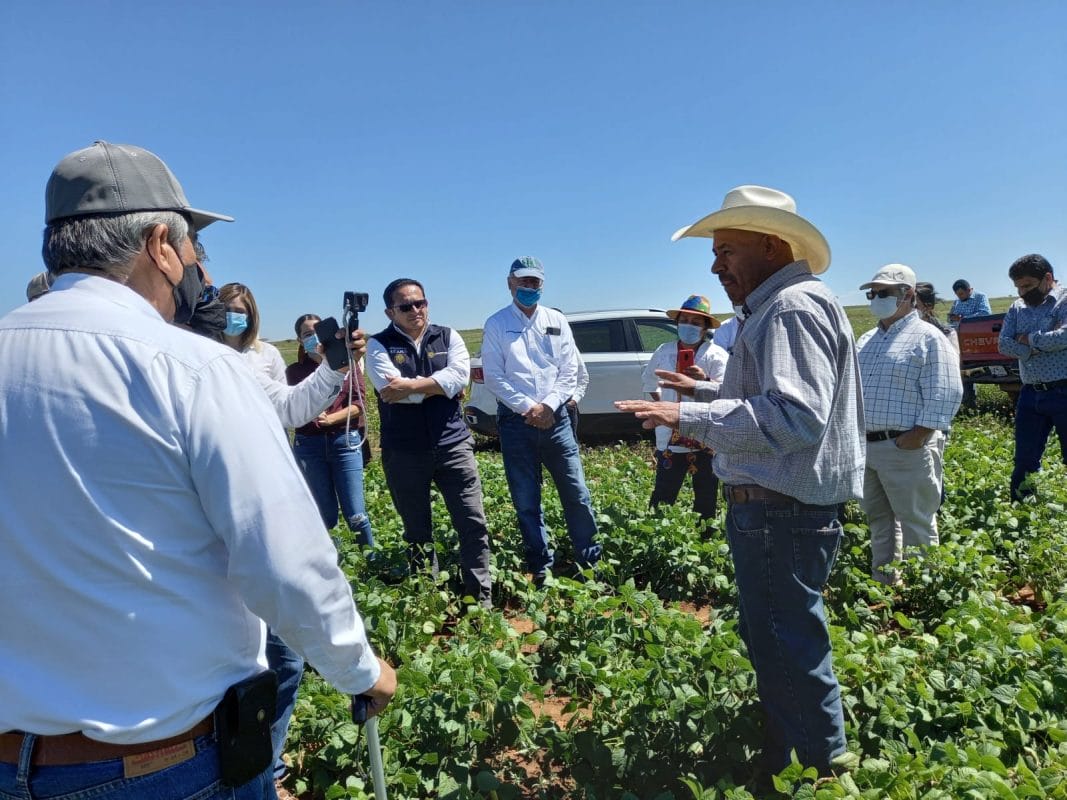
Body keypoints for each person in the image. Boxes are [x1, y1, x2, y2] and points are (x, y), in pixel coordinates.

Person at [0, 141, 396, 800]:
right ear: (159, 243)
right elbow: (284, 564)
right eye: (193, 250)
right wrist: (359, 670)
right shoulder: (191, 368)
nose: (196, 268)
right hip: (163, 765)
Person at [616, 185, 863, 775]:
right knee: (781, 642)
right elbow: (776, 401)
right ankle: (790, 760)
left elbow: (796, 417)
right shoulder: (785, 306)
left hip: (779, 510)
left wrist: (689, 416)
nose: (715, 263)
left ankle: (817, 773)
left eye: (727, 248)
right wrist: (700, 392)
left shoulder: (790, 309)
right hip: (783, 507)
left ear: (772, 245)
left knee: (787, 648)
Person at [367, 279, 492, 607]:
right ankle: (431, 603)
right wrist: (439, 385)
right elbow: (389, 391)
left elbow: (458, 379)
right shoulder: (378, 344)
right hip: (404, 450)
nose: (415, 311)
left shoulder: (448, 336)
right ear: (389, 311)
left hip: (453, 445)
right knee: (417, 531)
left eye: (420, 303)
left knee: (472, 523)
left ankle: (480, 601)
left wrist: (412, 386)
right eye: (405, 306)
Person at [481, 257, 602, 585]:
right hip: (515, 422)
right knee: (525, 499)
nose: (529, 288)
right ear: (510, 283)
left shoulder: (556, 321)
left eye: (535, 282)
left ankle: (590, 561)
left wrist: (548, 406)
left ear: (542, 284)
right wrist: (527, 408)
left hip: (557, 419)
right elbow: (493, 376)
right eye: (523, 281)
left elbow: (569, 370)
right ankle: (541, 565)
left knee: (576, 492)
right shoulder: (496, 324)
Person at [856, 265, 963, 584]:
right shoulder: (867, 339)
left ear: (909, 295)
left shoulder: (928, 337)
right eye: (873, 293)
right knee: (879, 520)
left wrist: (918, 435)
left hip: (905, 446)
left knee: (916, 521)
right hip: (868, 447)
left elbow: (946, 389)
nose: (877, 298)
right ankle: (885, 583)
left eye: (885, 292)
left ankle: (924, 589)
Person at [287, 314, 375, 548]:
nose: (313, 337)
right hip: (309, 446)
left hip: (343, 440)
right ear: (299, 340)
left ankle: (374, 564)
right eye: (307, 334)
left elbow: (360, 404)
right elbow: (289, 407)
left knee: (356, 514)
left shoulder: (347, 363)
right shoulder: (293, 371)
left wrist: (331, 419)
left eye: (317, 331)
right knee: (324, 515)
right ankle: (333, 564)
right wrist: (312, 416)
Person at [641, 294, 728, 520]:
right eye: (684, 320)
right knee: (663, 492)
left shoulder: (716, 355)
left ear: (705, 328)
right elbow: (648, 379)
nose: (688, 326)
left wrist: (704, 382)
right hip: (671, 436)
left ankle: (705, 540)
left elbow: (728, 393)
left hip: (706, 438)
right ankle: (656, 536)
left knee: (706, 495)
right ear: (677, 323)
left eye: (696, 322)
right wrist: (662, 406)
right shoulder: (664, 350)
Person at [997, 254, 1067, 501]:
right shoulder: (1018, 307)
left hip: (1063, 389)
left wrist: (1027, 339)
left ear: (1047, 278)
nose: (1022, 292)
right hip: (1031, 392)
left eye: (1027, 285)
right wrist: (1036, 347)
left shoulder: (1064, 302)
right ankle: (1022, 507)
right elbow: (1003, 344)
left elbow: (1063, 337)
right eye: (1018, 287)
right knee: (1025, 457)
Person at [220, 282, 287, 383]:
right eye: (226, 310)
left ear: (250, 316)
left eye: (239, 311)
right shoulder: (205, 350)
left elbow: (282, 394)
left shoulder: (268, 353)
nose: (231, 315)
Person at [949, 278, 991, 408]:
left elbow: (985, 313)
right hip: (961, 340)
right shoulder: (956, 302)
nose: (959, 297)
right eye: (957, 295)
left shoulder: (980, 297)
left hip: (978, 339)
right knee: (963, 371)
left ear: (969, 290)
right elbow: (952, 318)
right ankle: (967, 401)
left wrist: (963, 319)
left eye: (961, 294)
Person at [915, 282, 960, 354]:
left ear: (928, 306)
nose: (909, 310)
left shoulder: (947, 334)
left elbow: (953, 362)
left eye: (914, 306)